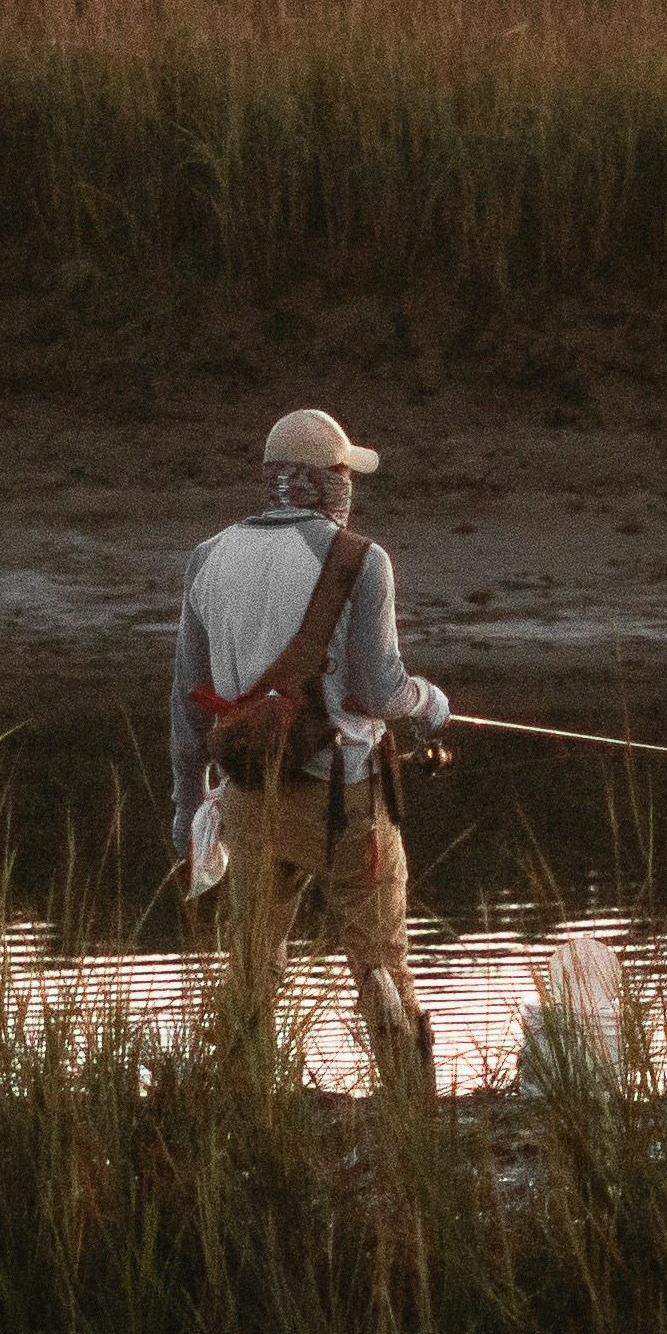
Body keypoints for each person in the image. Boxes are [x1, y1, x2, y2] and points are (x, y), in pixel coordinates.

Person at [173, 407, 454, 1082]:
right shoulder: (363, 561)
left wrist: (187, 808)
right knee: (379, 960)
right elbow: (380, 691)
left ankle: (244, 1105)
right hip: (343, 803)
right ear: (332, 482)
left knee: (251, 966)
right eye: (344, 475)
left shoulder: (207, 557)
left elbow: (187, 698)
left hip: (244, 800)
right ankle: (409, 1109)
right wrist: (432, 706)